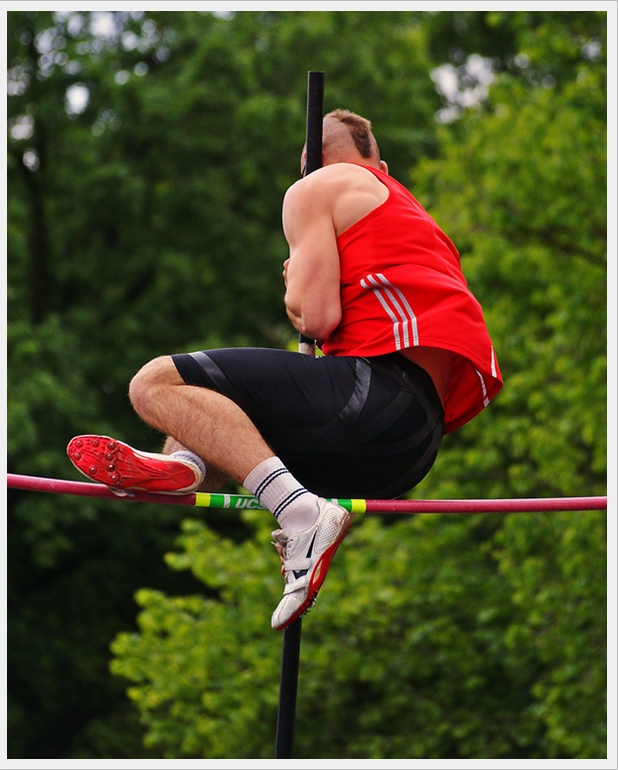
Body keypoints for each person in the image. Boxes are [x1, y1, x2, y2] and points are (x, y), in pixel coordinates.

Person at [67, 109, 503, 631]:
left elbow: (317, 318)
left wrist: (295, 280)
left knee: (155, 385)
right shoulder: (411, 217)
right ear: (378, 161)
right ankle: (186, 465)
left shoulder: (317, 186)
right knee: (213, 414)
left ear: (307, 164)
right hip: (409, 447)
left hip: (373, 398)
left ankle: (300, 514)